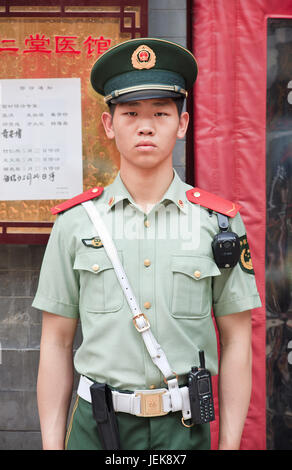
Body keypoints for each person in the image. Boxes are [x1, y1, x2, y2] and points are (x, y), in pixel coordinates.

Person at [33, 38, 262, 451]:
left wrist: (228, 446)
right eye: (130, 113)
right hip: (95, 428)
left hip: (184, 431)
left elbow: (238, 340)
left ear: (183, 123)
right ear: (109, 125)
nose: (145, 125)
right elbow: (56, 341)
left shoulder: (219, 223)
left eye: (160, 112)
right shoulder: (76, 222)